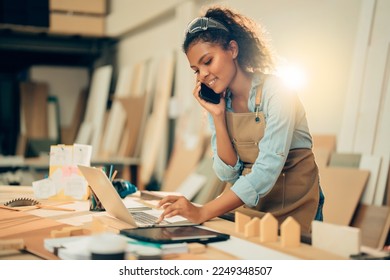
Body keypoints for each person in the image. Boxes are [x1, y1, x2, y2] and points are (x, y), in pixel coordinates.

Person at [157, 5, 324, 234]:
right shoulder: (222, 103)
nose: (203, 74)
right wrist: (217, 116)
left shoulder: (277, 91)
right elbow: (227, 174)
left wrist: (203, 211)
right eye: (196, 69)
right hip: (251, 207)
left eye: (208, 61)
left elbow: (265, 171)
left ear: (233, 50)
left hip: (294, 209)